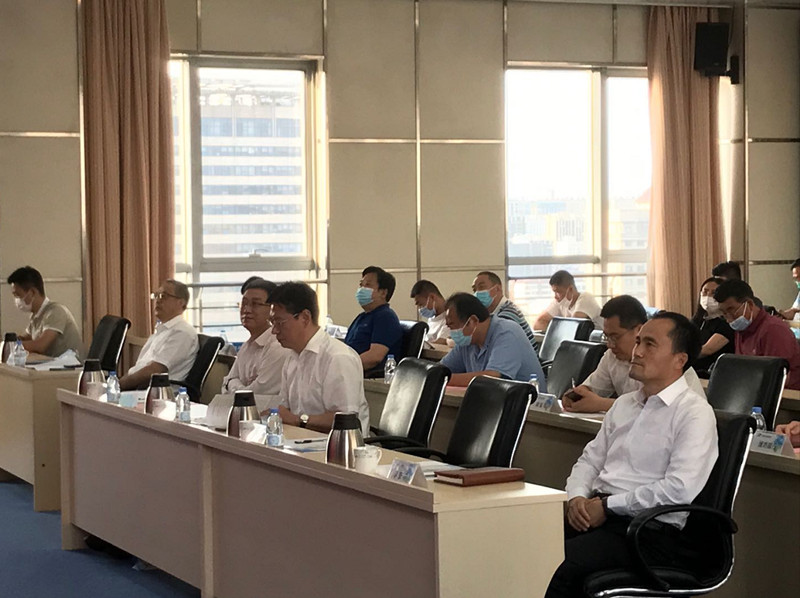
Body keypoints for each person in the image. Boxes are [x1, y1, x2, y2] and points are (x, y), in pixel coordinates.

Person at [545, 312, 718, 598]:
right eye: (638, 342)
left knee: (558, 565)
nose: (637, 351)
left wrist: (608, 506)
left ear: (679, 360)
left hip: (649, 531)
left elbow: (679, 489)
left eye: (650, 344)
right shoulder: (624, 404)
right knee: (525, 546)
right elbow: (590, 460)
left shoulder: (694, 413)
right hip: (599, 514)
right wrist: (576, 497)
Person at [269, 282, 369, 435]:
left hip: (340, 445)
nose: (274, 330)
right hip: (301, 439)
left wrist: (299, 420)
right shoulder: (292, 357)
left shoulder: (337, 357)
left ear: (305, 317)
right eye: (272, 323)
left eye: (279, 322)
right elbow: (285, 409)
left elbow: (346, 420)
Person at [561, 295, 648, 414]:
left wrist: (601, 404)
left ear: (639, 330)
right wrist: (576, 395)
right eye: (607, 337)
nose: (610, 345)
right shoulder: (612, 356)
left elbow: (651, 406)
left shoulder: (659, 359)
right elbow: (592, 388)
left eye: (615, 337)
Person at [440, 292, 546, 389]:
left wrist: (443, 379)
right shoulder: (468, 341)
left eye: (452, 326)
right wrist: (437, 375)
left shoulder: (507, 332)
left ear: (472, 321)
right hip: (492, 399)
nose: (451, 332)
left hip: (528, 402)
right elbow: (441, 369)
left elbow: (492, 379)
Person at [714, 279, 800, 390]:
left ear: (749, 304)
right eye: (724, 313)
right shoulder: (742, 329)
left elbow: (777, 377)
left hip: (786, 395)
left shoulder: (773, 330)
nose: (728, 318)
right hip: (753, 390)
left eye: (731, 310)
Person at [119, 280, 198, 391]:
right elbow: (140, 368)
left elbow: (154, 370)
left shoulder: (182, 333)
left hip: (159, 393)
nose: (158, 300)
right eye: (156, 296)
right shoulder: (161, 331)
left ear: (181, 303)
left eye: (163, 296)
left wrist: (118, 386)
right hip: (140, 389)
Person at [221, 277, 291, 395]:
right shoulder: (248, 345)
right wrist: (235, 386)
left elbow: (255, 396)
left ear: (273, 309)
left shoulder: (278, 346)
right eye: (244, 303)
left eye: (255, 304)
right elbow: (226, 383)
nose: (247, 310)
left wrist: (234, 385)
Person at [6, 266, 84, 358]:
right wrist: (11, 341)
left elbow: (40, 346)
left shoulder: (55, 311)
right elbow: (25, 338)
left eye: (18, 295)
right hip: (51, 363)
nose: (16, 300)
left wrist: (11, 346)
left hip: (69, 365)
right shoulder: (36, 316)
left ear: (32, 292)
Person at [344, 266, 403, 372]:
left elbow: (374, 357)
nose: (361, 289)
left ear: (383, 293)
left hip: (366, 375)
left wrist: (343, 367)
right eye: (361, 285)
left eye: (367, 285)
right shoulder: (362, 317)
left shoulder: (386, 317)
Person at [471, 271, 539, 353]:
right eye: (474, 289)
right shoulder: (499, 311)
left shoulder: (507, 314)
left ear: (497, 289)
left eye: (481, 287)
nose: (477, 293)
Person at [690, 277, 734, 377]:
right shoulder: (697, 320)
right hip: (692, 371)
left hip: (714, 374)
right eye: (705, 292)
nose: (708, 297)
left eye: (714, 293)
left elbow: (707, 350)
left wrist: (681, 356)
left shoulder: (727, 323)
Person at [534, 270, 603, 331]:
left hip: (600, 340)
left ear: (570, 289)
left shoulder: (586, 298)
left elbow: (574, 326)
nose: (555, 297)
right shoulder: (559, 302)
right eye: (554, 292)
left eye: (558, 292)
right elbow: (539, 324)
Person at [409, 279, 451, 345]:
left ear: (432, 297)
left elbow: (440, 343)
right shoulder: (432, 318)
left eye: (421, 305)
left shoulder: (451, 319)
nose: (420, 309)